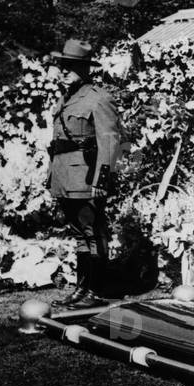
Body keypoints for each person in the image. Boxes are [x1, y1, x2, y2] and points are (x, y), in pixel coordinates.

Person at [47, 39, 123, 309]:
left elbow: (110, 141)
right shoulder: (66, 99)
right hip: (66, 177)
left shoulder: (99, 98)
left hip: (86, 177)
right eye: (62, 66)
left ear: (85, 68)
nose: (64, 71)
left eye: (71, 66)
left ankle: (96, 291)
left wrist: (101, 179)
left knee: (94, 233)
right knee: (80, 234)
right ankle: (82, 289)